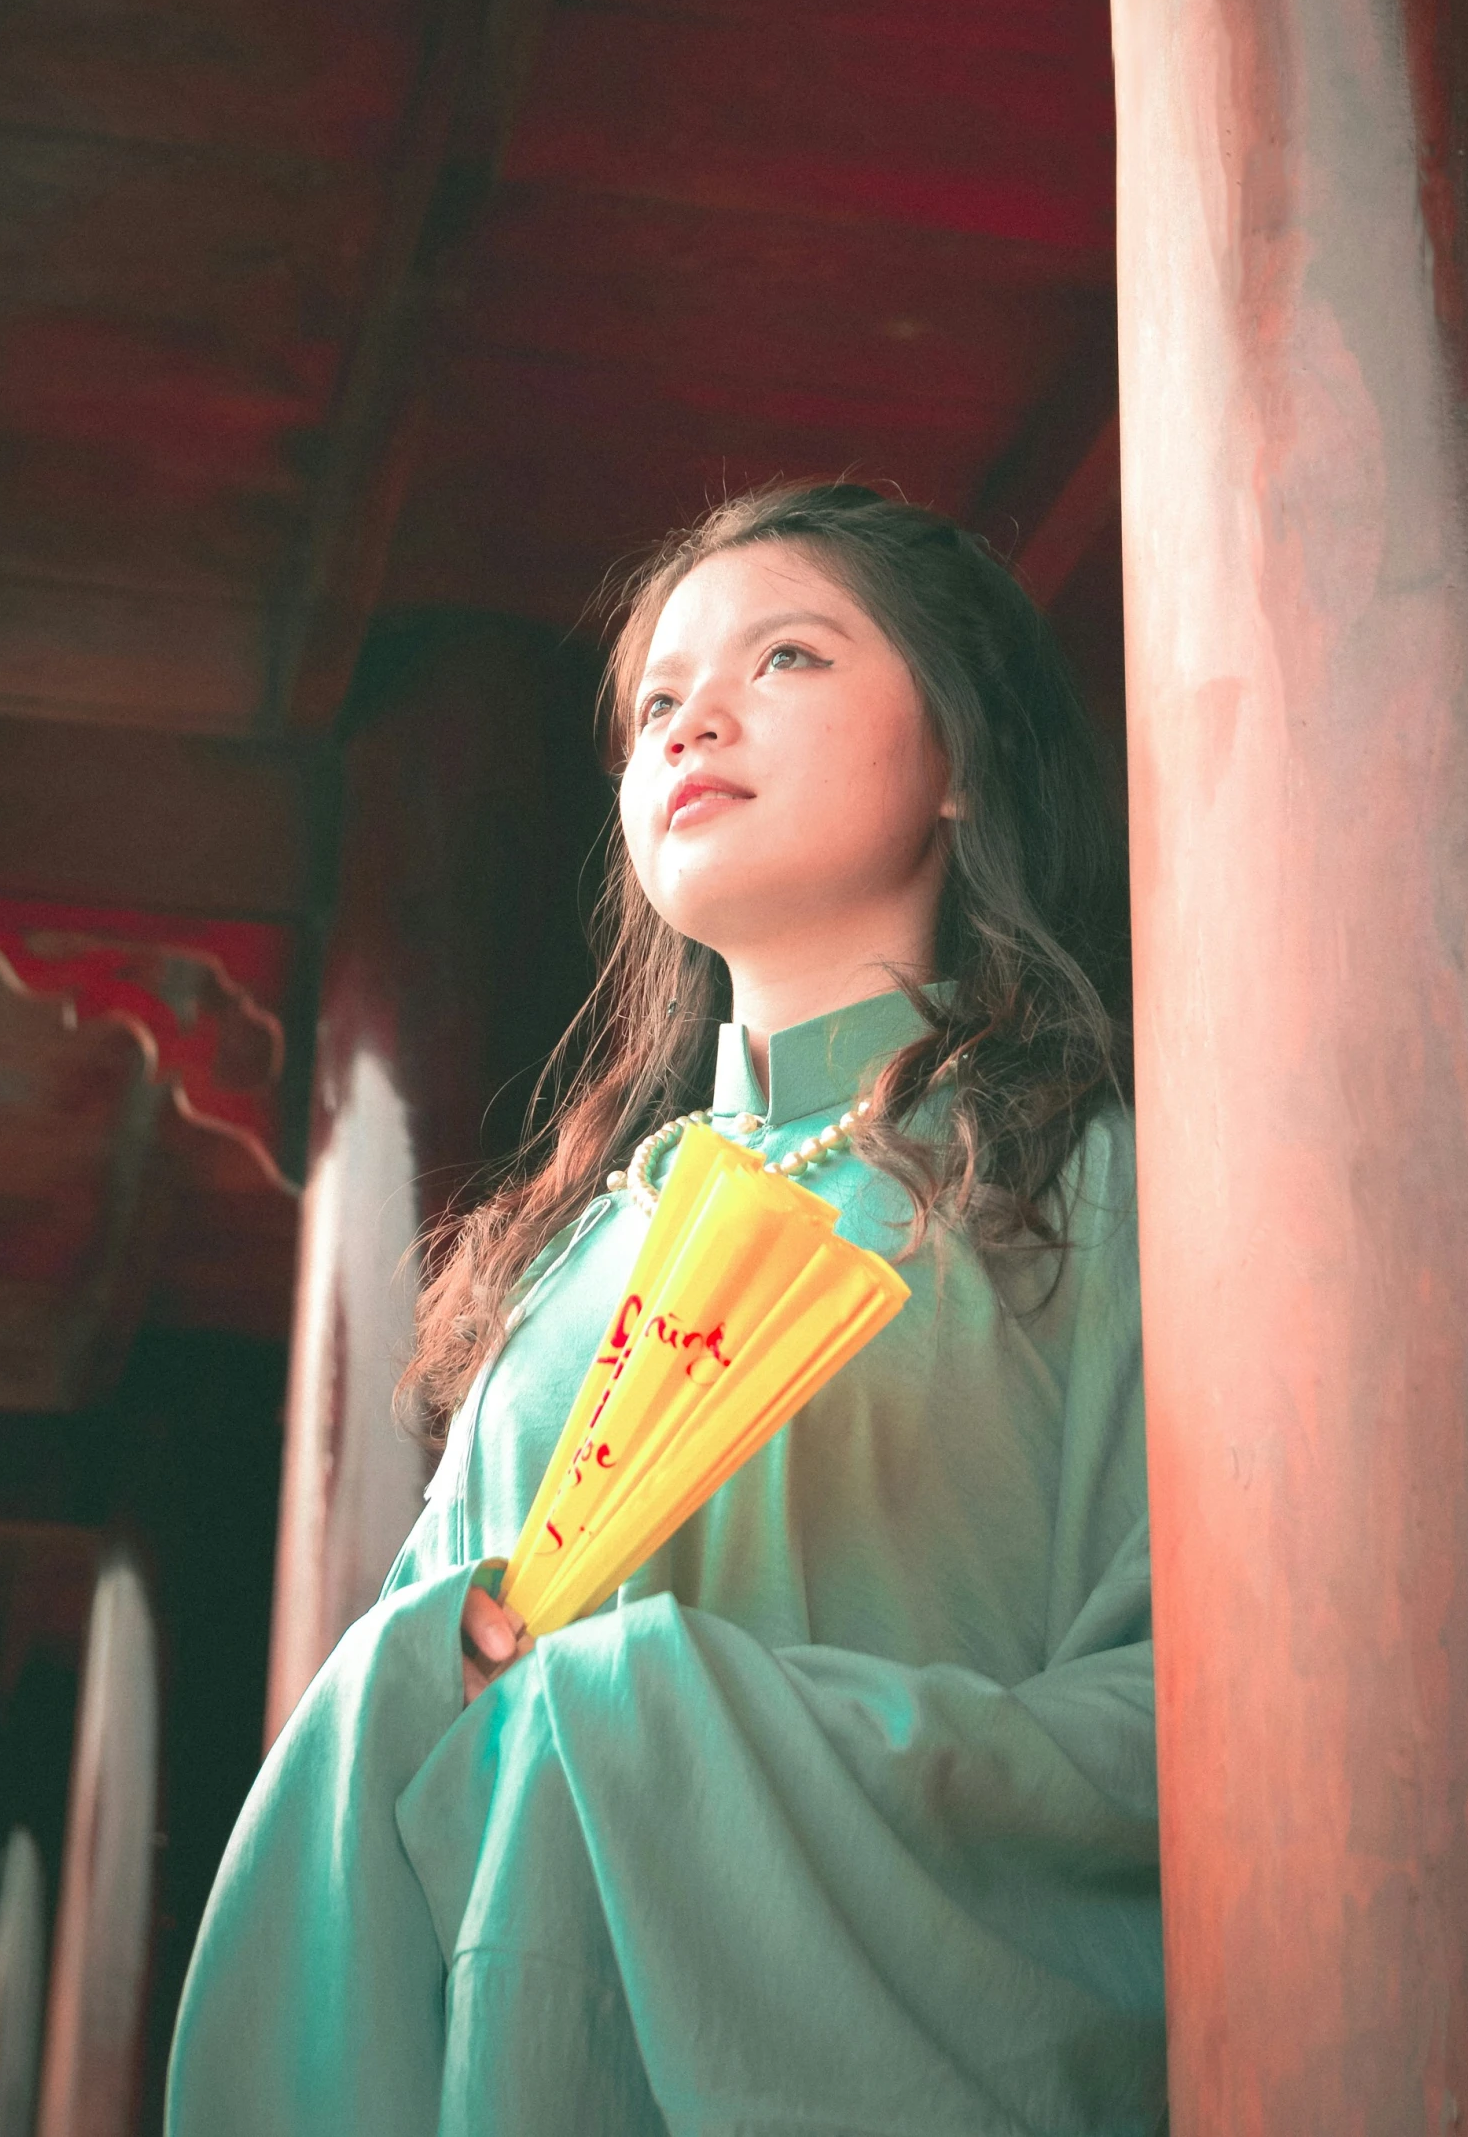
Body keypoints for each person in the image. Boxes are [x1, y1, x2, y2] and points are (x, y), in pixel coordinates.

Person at [166, 484, 1165, 2136]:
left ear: (960, 760)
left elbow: (1198, 1734)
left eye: (784, 657)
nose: (692, 717)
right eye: (653, 702)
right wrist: (445, 1659)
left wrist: (649, 1720)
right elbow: (417, 1730)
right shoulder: (570, 1271)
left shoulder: (1097, 1190)